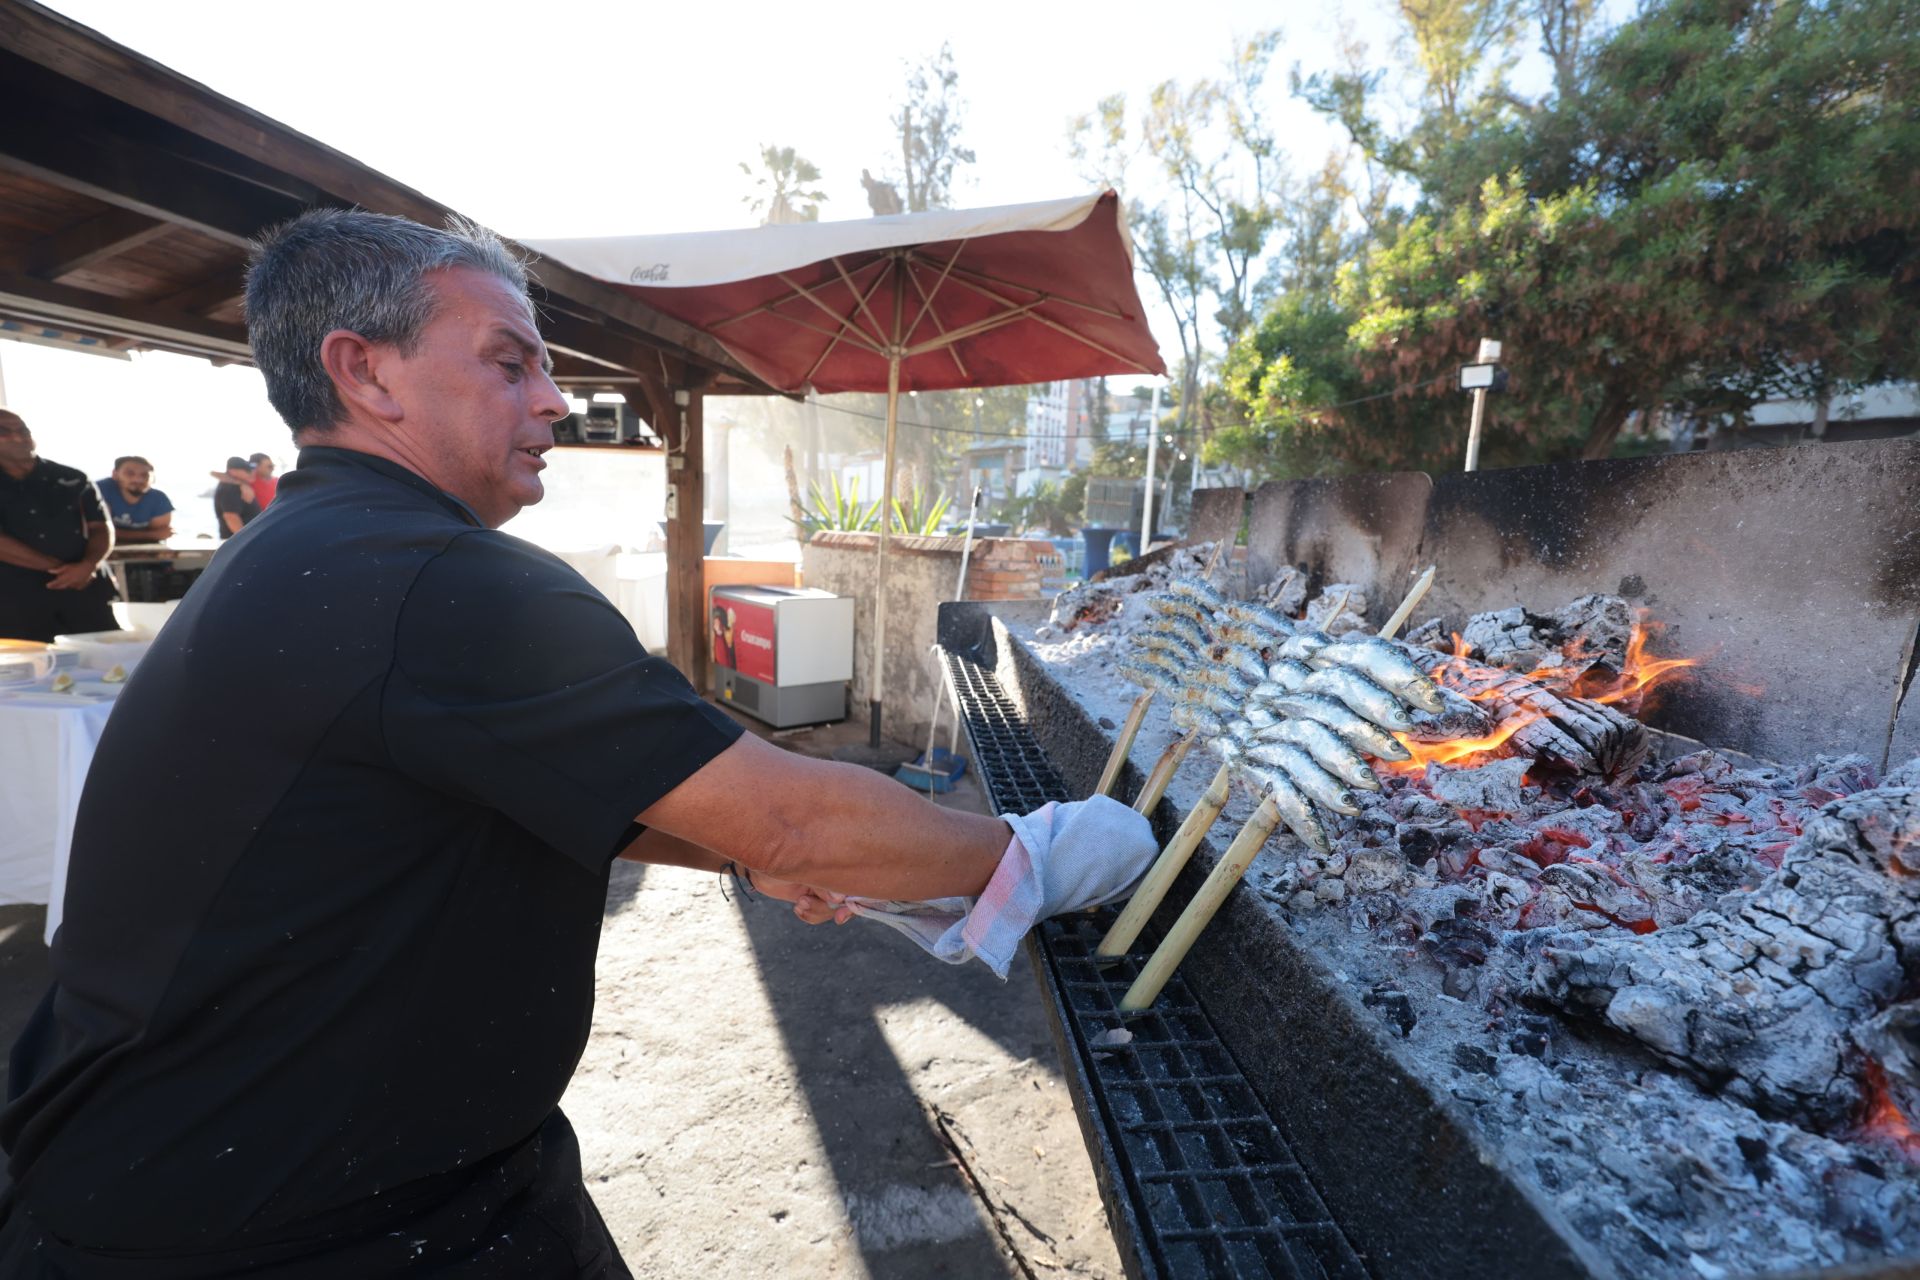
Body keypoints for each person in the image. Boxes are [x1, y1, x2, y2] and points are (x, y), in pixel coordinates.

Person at [0, 210, 1155, 1278]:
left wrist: (741, 851)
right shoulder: (432, 580)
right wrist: (1038, 849)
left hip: (212, 1167)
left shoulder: (312, 548)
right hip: (284, 1223)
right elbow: (792, 809)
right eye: (511, 361)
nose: (555, 399)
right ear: (364, 370)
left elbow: (536, 789)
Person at [0, 409, 118, 642]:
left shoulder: (73, 477)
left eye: (23, 430)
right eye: (4, 432)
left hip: (85, 587)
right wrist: (64, 570)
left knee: (108, 663)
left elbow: (101, 527)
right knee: (29, 668)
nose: (18, 437)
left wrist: (86, 565)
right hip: (17, 596)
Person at [95, 456, 174, 544]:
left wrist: (118, 533)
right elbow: (98, 533)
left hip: (143, 551)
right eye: (130, 473)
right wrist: (150, 534)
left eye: (145, 475)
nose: (138, 479)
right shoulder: (99, 490)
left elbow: (162, 535)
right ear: (115, 474)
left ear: (153, 478)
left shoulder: (159, 499)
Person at [211, 454, 261, 539]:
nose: (251, 473)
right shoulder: (229, 489)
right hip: (239, 542)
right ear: (233, 471)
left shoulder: (238, 485)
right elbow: (231, 516)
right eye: (247, 471)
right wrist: (245, 540)